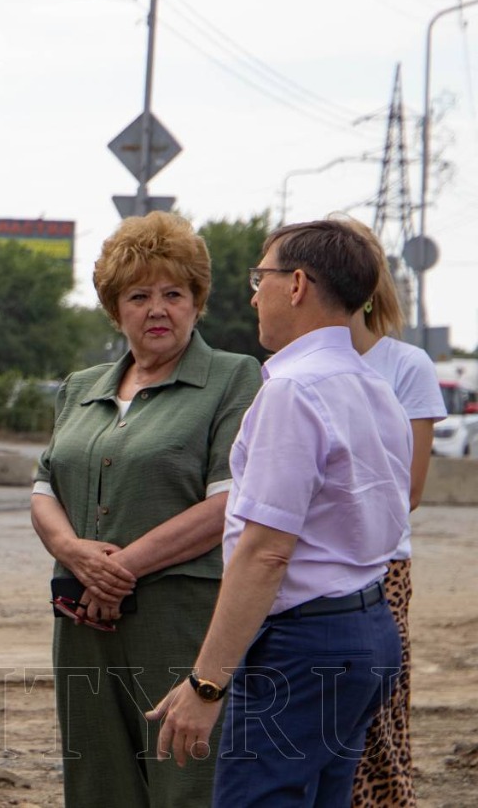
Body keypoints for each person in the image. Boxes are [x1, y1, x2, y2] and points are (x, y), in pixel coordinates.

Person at [148, 219, 412, 807]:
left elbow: (265, 552)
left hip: (304, 644)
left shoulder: (294, 390)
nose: (253, 296)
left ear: (296, 285)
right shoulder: (374, 386)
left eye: (259, 278)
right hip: (366, 628)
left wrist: (206, 683)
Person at [29, 211, 261, 807]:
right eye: (139, 296)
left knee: (185, 782)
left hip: (179, 621)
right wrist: (73, 552)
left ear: (197, 302)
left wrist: (119, 568)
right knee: (97, 783)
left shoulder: (235, 379)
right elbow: (44, 488)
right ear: (115, 309)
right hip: (81, 621)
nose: (157, 309)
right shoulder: (79, 387)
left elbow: (229, 502)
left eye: (173, 294)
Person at [347, 220, 446, 808]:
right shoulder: (283, 366)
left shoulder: (405, 364)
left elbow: (407, 490)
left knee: (376, 726)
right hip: (300, 570)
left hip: (381, 569)